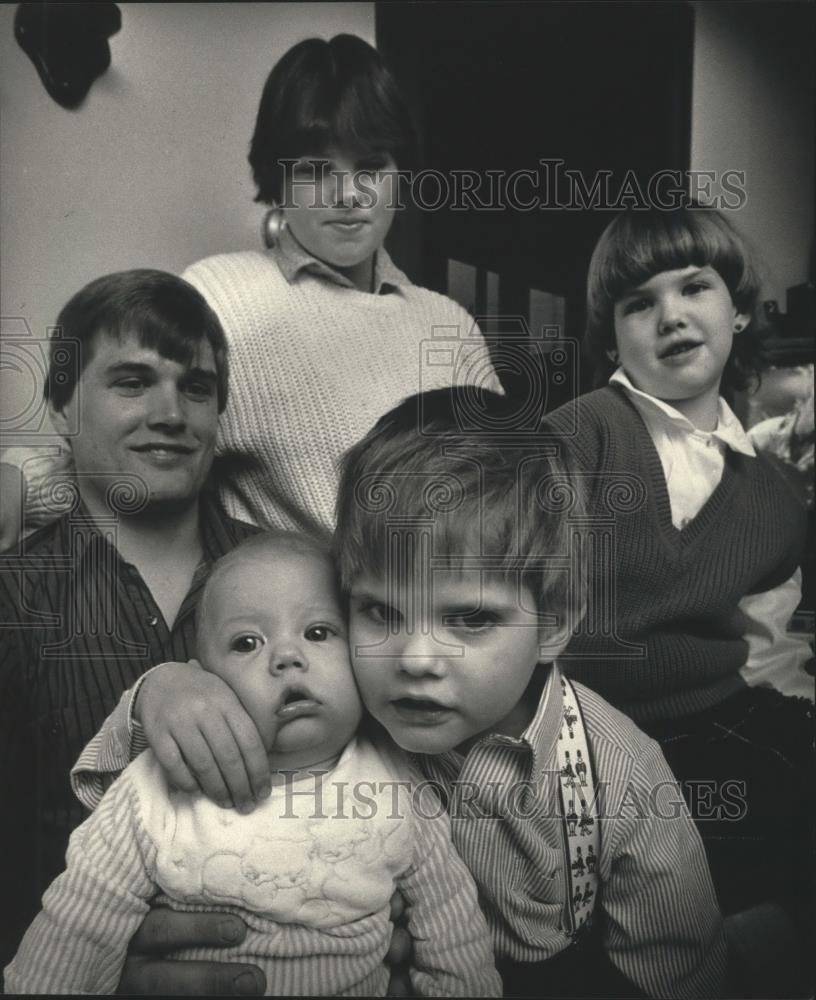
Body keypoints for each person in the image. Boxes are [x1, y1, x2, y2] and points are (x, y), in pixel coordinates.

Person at [79, 387, 729, 998]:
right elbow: (133, 788)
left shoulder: (624, 776)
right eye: (381, 613)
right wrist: (161, 691)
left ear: (554, 622)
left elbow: (681, 977)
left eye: (470, 619)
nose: (415, 661)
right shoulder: (335, 709)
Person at [0, 33, 498, 543]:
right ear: (276, 180)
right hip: (287, 614)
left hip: (435, 612)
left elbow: (510, 497)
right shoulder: (223, 293)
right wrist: (19, 479)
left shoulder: (448, 323)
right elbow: (124, 444)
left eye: (372, 168)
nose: (349, 194)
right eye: (315, 170)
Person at [5, 532, 501, 997]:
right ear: (205, 681)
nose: (287, 656)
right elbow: (79, 923)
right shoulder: (154, 789)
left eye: (318, 631)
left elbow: (452, 927)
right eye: (247, 643)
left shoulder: (397, 779)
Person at [538, 208, 814, 941]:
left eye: (695, 288)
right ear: (611, 336)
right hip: (585, 727)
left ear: (741, 310)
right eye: (640, 303)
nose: (671, 317)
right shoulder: (580, 432)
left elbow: (767, 636)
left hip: (717, 719)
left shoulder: (775, 495)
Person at [0, 269, 267, 988]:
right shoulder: (12, 602)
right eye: (131, 381)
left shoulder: (293, 583)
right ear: (61, 407)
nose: (171, 412)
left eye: (197, 388)